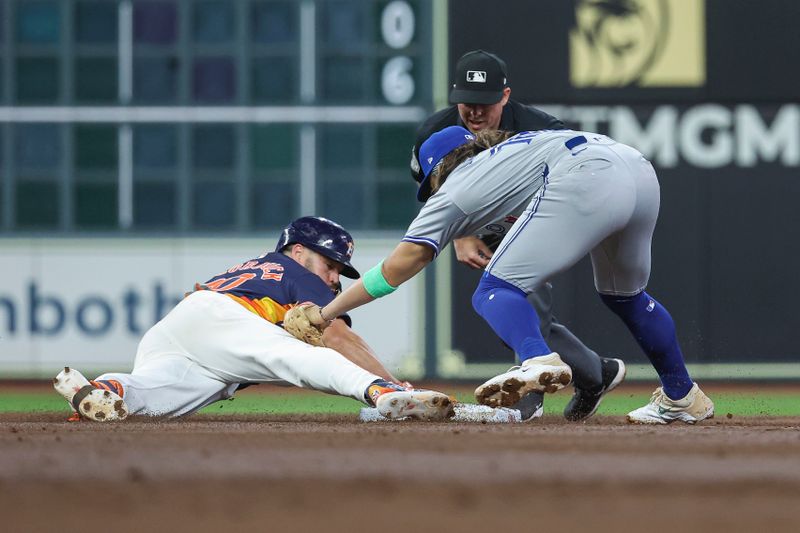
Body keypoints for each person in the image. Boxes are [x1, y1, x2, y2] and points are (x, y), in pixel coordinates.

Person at [290, 127, 715, 425]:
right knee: (626, 296)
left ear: (438, 171)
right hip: (637, 169)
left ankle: (537, 358)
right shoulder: (513, 150)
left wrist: (326, 313)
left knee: (493, 290)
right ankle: (682, 396)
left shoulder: (454, 189)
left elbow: (400, 266)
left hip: (587, 175)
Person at [53, 216, 455, 422]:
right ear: (298, 251)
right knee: (306, 357)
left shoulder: (265, 268)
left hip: (184, 332)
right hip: (222, 320)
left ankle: (105, 389)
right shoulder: (297, 272)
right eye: (331, 265)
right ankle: (383, 395)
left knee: (158, 399)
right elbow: (337, 338)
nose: (334, 279)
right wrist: (390, 381)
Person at [410, 49, 624, 422]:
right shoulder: (436, 135)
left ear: (505, 96)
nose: (475, 112)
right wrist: (462, 235)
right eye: (467, 103)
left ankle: (531, 394)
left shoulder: (540, 127)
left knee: (518, 294)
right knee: (509, 311)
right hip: (484, 220)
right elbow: (436, 194)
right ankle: (595, 373)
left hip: (545, 213)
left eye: (486, 103)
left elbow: (576, 181)